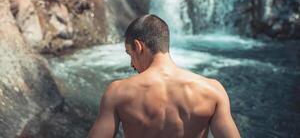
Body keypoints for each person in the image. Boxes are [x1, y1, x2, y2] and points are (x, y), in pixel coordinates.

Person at [88, 14, 240, 138]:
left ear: (138, 46)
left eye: (130, 54)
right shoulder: (213, 90)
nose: (132, 64)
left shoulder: (118, 92)